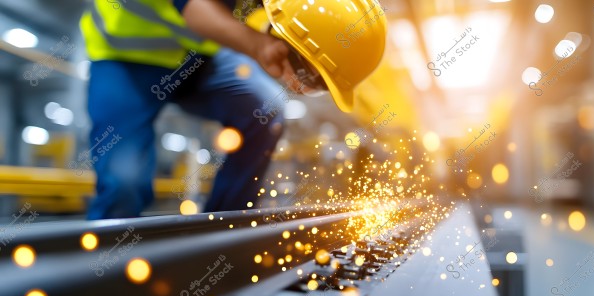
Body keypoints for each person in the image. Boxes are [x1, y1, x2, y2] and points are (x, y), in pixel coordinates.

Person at [80, 0, 386, 219]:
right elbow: (193, 8)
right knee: (123, 184)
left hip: (199, 57)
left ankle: (215, 234)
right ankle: (105, 270)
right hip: (125, 55)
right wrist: (258, 45)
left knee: (266, 111)